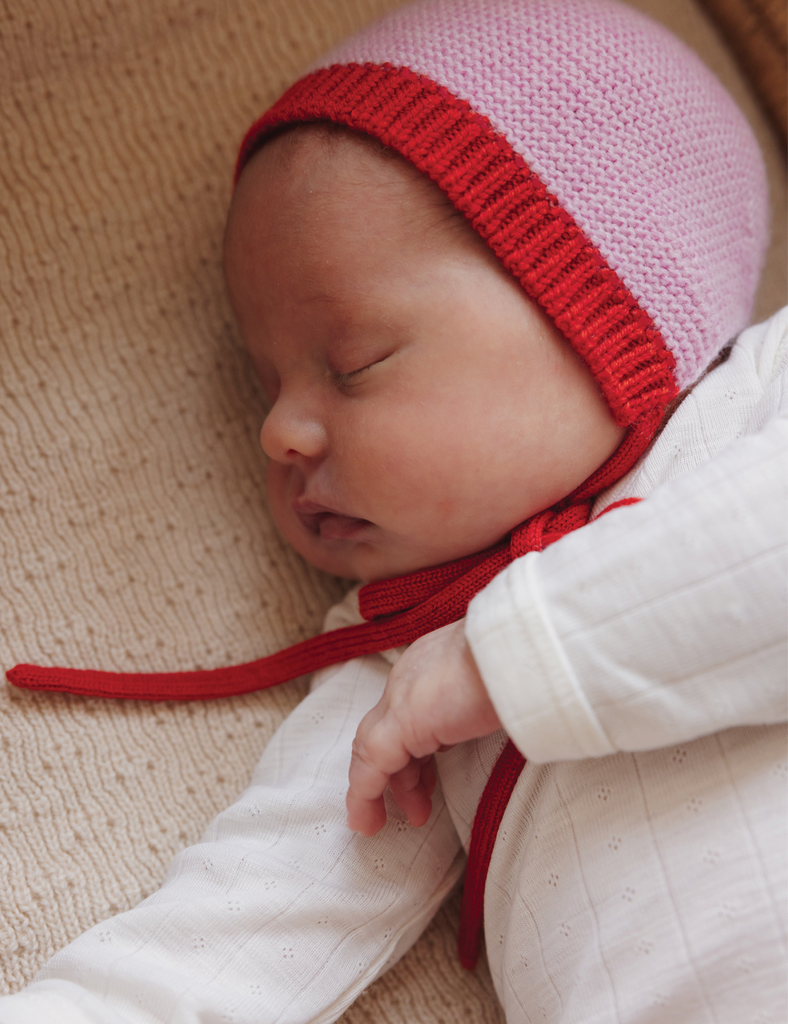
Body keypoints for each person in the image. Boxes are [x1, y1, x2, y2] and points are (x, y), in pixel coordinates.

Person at [1, 0, 785, 1021]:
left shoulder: (753, 404)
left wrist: (503, 661)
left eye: (354, 363)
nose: (278, 431)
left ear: (605, 308)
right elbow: (238, 937)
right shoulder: (400, 660)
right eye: (267, 382)